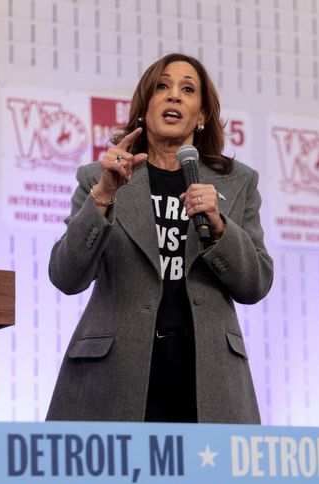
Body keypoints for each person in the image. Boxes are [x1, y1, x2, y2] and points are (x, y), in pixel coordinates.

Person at [46, 53, 273, 423]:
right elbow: (66, 276)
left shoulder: (237, 182)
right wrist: (103, 196)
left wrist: (220, 228)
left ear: (201, 116)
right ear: (144, 108)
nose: (174, 96)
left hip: (206, 375)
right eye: (162, 87)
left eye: (188, 89)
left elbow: (256, 283)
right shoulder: (99, 178)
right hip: (115, 375)